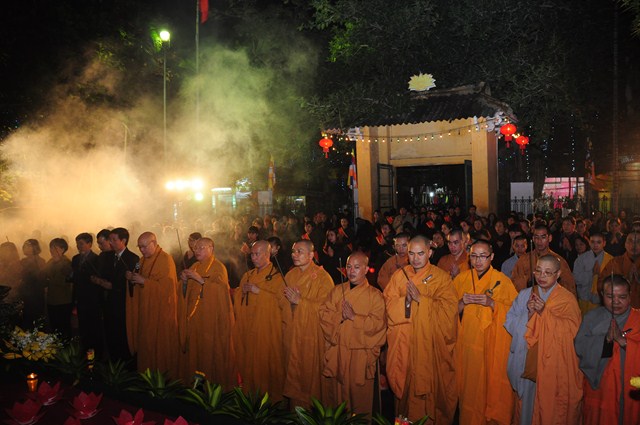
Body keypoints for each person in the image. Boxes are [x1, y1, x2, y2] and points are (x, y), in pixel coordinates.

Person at [384, 235, 458, 424]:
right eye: (411, 253)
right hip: (405, 347)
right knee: (404, 400)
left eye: (420, 253)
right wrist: (406, 302)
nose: (415, 258)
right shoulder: (399, 276)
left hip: (428, 349)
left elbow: (449, 314)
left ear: (430, 253)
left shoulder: (441, 278)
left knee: (427, 400)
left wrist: (421, 300)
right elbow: (388, 304)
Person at [505, 255, 582, 425]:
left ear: (558, 274)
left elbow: (572, 332)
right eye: (538, 271)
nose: (542, 276)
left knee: (549, 410)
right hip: (527, 362)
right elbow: (509, 323)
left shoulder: (567, 299)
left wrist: (544, 313)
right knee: (526, 409)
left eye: (548, 272)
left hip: (552, 364)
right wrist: (529, 316)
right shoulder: (525, 295)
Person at [454, 240, 518, 425]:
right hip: (468, 346)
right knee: (470, 389)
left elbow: (515, 314)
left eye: (483, 256)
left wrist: (492, 304)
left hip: (493, 345)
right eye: (474, 256)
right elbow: (447, 312)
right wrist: (462, 302)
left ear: (492, 257)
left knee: (491, 388)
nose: (478, 260)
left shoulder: (503, 281)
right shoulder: (461, 279)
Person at [319, 251, 386, 416]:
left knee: (359, 402)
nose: (351, 271)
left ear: (366, 269)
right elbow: (324, 315)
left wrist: (355, 317)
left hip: (360, 358)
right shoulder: (336, 291)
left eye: (357, 267)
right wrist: (339, 316)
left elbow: (379, 326)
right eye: (349, 267)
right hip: (338, 355)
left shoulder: (375, 296)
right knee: (337, 401)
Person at [575, 274, 640, 424]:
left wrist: (623, 341)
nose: (616, 302)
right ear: (602, 295)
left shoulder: (637, 319)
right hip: (601, 391)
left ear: (630, 295)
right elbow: (579, 347)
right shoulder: (592, 318)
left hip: (630, 390)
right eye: (610, 296)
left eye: (622, 297)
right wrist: (605, 340)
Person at [233, 240, 290, 401]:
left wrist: (259, 292)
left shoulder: (277, 277)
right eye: (251, 254)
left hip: (266, 330)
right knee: (249, 362)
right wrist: (242, 292)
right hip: (249, 328)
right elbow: (238, 299)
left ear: (267, 254)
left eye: (257, 254)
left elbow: (282, 303)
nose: (253, 258)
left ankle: (270, 401)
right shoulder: (248, 275)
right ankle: (249, 397)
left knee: (266, 364)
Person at [178, 237, 237, 389]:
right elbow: (186, 294)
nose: (197, 250)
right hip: (194, 320)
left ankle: (212, 387)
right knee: (195, 353)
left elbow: (222, 292)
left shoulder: (218, 267)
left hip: (211, 321)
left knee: (210, 354)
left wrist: (202, 281)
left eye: (201, 247)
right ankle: (194, 386)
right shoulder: (195, 266)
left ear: (211, 249)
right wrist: (184, 281)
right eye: (196, 248)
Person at [283, 240, 333, 408]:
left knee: (309, 376)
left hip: (312, 337)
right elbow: (281, 304)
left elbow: (328, 309)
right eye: (293, 251)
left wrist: (300, 301)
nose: (295, 255)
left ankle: (312, 414)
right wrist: (290, 302)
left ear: (311, 255)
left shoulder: (323, 278)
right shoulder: (289, 276)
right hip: (293, 334)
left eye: (300, 251)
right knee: (294, 373)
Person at [126, 232, 179, 378]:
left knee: (159, 345)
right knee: (146, 344)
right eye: (139, 247)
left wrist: (145, 282)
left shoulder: (166, 259)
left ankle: (162, 378)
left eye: (144, 246)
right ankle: (146, 376)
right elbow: (137, 275)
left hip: (160, 312)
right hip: (145, 310)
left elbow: (168, 289)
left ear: (154, 243)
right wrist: (131, 277)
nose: (141, 250)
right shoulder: (141, 261)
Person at [91, 228, 139, 362]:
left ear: (123, 240)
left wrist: (113, 286)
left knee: (123, 337)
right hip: (108, 304)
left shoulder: (133, 258)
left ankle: (126, 366)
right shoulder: (107, 256)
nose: (110, 242)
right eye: (109, 240)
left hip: (123, 305)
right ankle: (113, 365)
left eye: (114, 239)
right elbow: (104, 275)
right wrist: (99, 281)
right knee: (110, 336)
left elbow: (134, 284)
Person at [511, 223, 576, 295]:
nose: (539, 241)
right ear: (533, 239)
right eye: (536, 237)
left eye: (543, 237)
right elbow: (514, 284)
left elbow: (569, 288)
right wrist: (528, 278)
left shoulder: (558, 261)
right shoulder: (524, 260)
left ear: (550, 238)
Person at [71, 233, 103, 357]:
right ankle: (85, 352)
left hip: (93, 299)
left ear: (90, 244)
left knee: (94, 327)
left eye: (81, 244)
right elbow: (74, 278)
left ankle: (97, 354)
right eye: (77, 244)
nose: (78, 246)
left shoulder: (96, 259)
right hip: (80, 298)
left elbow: (98, 278)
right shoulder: (75, 259)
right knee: (83, 326)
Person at [573, 232, 612, 315]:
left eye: (599, 242)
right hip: (584, 298)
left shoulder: (610, 260)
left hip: (602, 300)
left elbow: (612, 281)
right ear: (589, 243)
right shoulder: (581, 259)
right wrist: (591, 273)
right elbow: (576, 279)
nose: (595, 245)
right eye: (592, 242)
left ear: (604, 243)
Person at [599, 231, 640, 308]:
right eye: (630, 241)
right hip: (618, 309)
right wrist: (623, 281)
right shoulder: (614, 263)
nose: (634, 244)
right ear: (625, 244)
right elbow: (601, 285)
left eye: (638, 241)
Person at [44, 238, 73, 338]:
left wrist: (49, 279)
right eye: (51, 247)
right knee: (54, 327)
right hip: (51, 300)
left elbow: (63, 281)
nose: (51, 250)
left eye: (54, 247)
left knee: (63, 328)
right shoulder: (50, 261)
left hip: (63, 301)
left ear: (62, 249)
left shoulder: (66, 263)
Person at [19, 239, 46, 328]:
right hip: (25, 295)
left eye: (28, 246)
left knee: (37, 321)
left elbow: (42, 279)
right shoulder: (22, 261)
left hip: (37, 294)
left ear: (34, 248)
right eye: (25, 246)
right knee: (26, 320)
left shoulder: (41, 261)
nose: (25, 248)